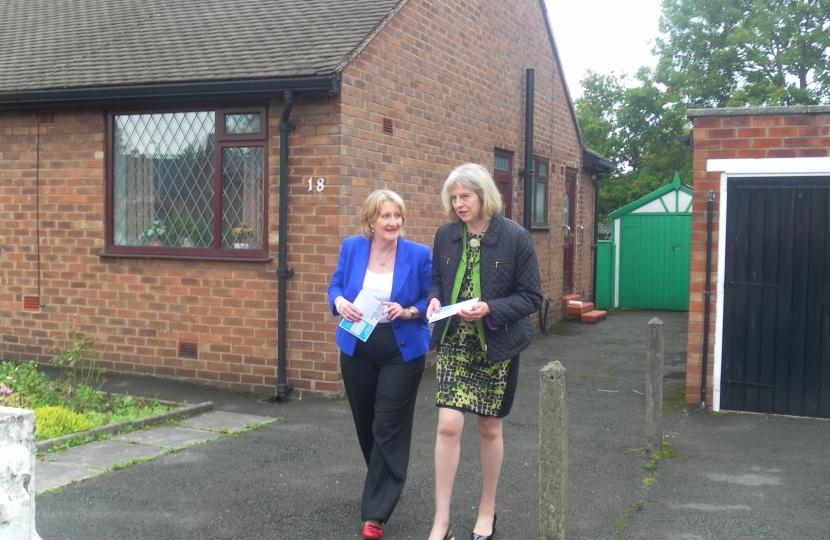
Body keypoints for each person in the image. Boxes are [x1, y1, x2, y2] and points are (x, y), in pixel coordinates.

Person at [425, 163, 542, 540]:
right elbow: (437, 281)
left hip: (496, 342)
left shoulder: (515, 237)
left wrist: (490, 307)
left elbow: (531, 297)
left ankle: (487, 510)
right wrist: (433, 301)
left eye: (466, 196)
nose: (459, 204)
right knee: (448, 424)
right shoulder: (445, 235)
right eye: (454, 197)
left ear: (483, 195)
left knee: (489, 427)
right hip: (454, 339)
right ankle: (441, 519)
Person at [329, 189, 432, 540]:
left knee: (388, 426)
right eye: (386, 216)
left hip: (401, 351)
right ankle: (386, 479)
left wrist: (409, 311)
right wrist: (340, 302)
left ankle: (375, 515)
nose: (393, 222)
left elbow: (431, 297)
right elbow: (336, 285)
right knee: (367, 425)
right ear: (370, 220)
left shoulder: (418, 254)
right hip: (357, 346)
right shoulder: (352, 247)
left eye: (398, 216)